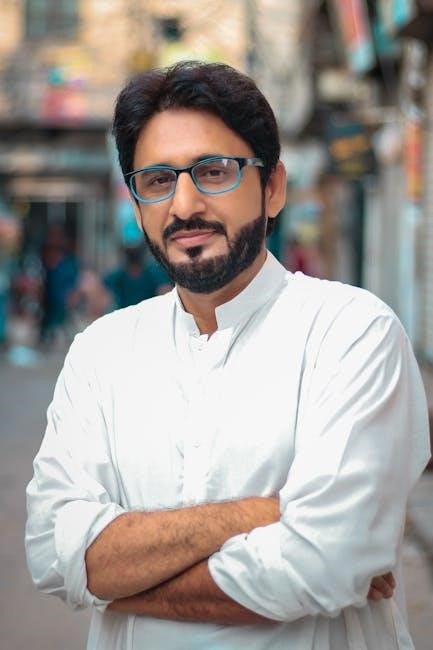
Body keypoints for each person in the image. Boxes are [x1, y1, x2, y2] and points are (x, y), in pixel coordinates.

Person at [25, 61, 430, 650]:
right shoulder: (101, 354)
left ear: (273, 188)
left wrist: (109, 580)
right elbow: (50, 550)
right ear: (137, 205)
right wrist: (262, 514)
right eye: (157, 180)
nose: (184, 205)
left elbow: (323, 565)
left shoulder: (352, 333)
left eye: (213, 171)